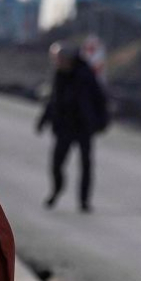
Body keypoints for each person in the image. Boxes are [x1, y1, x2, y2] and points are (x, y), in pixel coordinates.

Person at [35, 42, 109, 213]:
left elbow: (100, 99)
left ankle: (84, 201)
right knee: (56, 164)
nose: (57, 62)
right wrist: (43, 120)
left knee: (85, 165)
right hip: (64, 127)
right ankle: (57, 189)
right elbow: (53, 100)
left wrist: (101, 122)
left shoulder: (86, 75)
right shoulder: (59, 75)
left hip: (83, 127)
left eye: (59, 59)